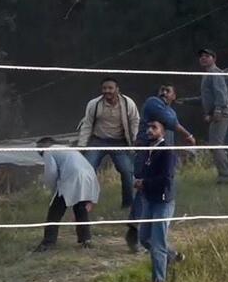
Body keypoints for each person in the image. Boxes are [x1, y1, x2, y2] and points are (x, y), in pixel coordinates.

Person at [127, 84, 195, 253]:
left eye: (168, 90)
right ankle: (137, 233)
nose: (164, 92)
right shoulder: (153, 103)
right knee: (143, 189)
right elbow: (171, 123)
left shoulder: (171, 111)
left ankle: (157, 244)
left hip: (161, 156)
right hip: (146, 154)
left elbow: (169, 132)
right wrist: (188, 135)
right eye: (161, 89)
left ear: (174, 96)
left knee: (158, 190)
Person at [77, 77, 140, 208]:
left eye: (110, 88)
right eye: (104, 88)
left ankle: (128, 205)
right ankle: (85, 204)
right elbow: (87, 124)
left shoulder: (128, 103)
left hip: (119, 142)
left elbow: (135, 121)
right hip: (98, 140)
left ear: (117, 89)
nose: (107, 91)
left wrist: (135, 141)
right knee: (87, 169)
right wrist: (82, 146)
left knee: (127, 171)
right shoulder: (94, 104)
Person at [34, 138, 100, 252]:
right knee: (80, 208)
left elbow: (51, 173)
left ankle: (48, 242)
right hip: (88, 175)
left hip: (73, 177)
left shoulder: (48, 151)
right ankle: (86, 239)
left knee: (55, 211)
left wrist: (52, 189)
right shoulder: (65, 149)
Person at [134, 120, 178, 282]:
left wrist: (144, 183)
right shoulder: (147, 150)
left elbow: (167, 179)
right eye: (148, 127)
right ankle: (172, 255)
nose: (149, 130)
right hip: (148, 199)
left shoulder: (167, 151)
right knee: (144, 238)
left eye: (154, 127)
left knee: (158, 242)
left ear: (163, 131)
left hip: (162, 201)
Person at [198, 49, 228, 184]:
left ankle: (226, 175)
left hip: (223, 111)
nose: (203, 58)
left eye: (207, 56)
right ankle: (227, 172)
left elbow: (221, 94)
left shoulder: (215, 72)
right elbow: (206, 98)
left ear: (214, 59)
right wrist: (185, 101)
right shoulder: (207, 74)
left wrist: (217, 111)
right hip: (219, 110)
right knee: (216, 144)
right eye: (201, 56)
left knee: (216, 144)